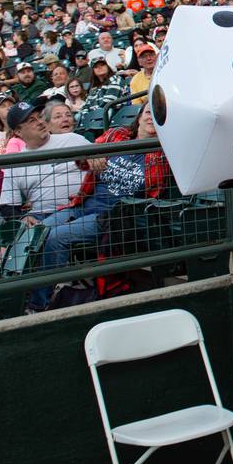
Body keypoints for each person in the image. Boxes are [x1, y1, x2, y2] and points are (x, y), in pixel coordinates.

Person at [29, 104, 169, 311]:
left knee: (56, 237)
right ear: (139, 118)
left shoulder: (162, 152)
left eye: (158, 115)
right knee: (37, 232)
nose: (151, 118)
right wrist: (91, 155)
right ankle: (28, 293)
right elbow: (83, 159)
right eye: (148, 112)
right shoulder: (116, 135)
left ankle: (39, 304)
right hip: (83, 203)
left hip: (111, 217)